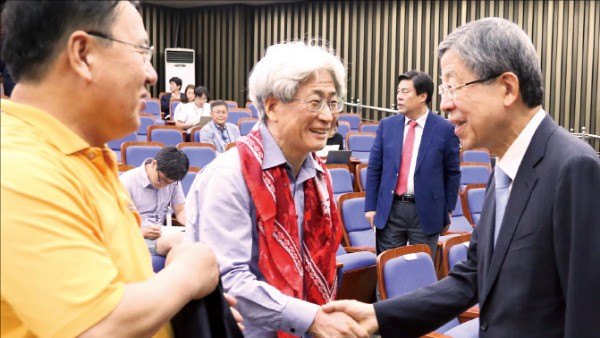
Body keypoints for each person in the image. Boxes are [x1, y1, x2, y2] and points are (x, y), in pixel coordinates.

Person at [323, 17, 600, 337]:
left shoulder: (573, 168)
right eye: (443, 89)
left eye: (453, 86)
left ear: (507, 88)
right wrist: (378, 314)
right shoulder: (505, 169)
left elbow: (587, 315)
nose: (444, 103)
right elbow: (471, 278)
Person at [0, 2, 225, 337]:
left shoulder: (86, 154)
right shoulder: (17, 168)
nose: (152, 74)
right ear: (82, 53)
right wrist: (188, 276)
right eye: (142, 52)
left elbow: (115, 284)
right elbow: (97, 327)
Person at [186, 40, 369, 338]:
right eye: (315, 102)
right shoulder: (229, 176)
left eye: (333, 102)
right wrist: (311, 318)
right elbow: (228, 280)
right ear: (272, 106)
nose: (328, 116)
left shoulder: (318, 176)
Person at [365, 70, 461, 256]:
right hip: (391, 209)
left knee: (421, 270)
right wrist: (370, 207)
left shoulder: (445, 129)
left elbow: (452, 173)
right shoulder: (387, 125)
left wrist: (448, 209)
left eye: (405, 92)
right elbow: (375, 168)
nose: (399, 97)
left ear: (422, 96)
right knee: (387, 268)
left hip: (426, 210)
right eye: (399, 91)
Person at [119, 146, 188, 256]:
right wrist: (141, 231)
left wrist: (192, 225)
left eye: (169, 183)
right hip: (135, 236)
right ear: (154, 164)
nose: (164, 186)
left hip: (160, 234)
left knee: (193, 242)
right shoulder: (126, 182)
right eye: (161, 180)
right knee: (182, 242)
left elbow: (180, 211)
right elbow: (114, 221)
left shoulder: (173, 182)